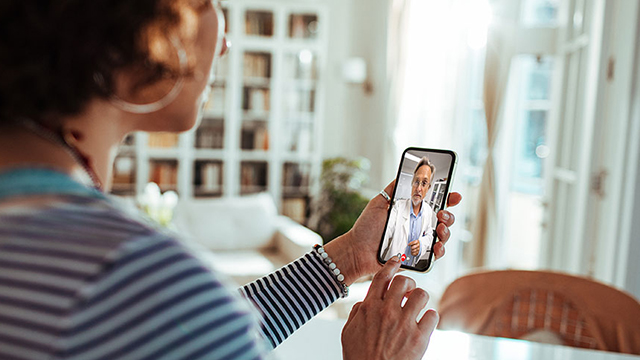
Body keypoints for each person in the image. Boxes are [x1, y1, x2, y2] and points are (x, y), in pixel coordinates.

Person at [0, 1, 461, 359]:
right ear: (136, 29)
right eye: (207, 4)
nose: (225, 44)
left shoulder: (119, 284)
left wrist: (347, 257)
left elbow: (185, 339)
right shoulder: (127, 273)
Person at [381, 157, 439, 267]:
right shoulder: (398, 207)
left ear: (429, 187)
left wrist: (421, 244)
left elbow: (430, 234)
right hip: (391, 266)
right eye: (416, 182)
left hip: (411, 267)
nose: (418, 188)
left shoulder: (428, 210)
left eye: (424, 183)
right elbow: (386, 232)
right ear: (412, 183)